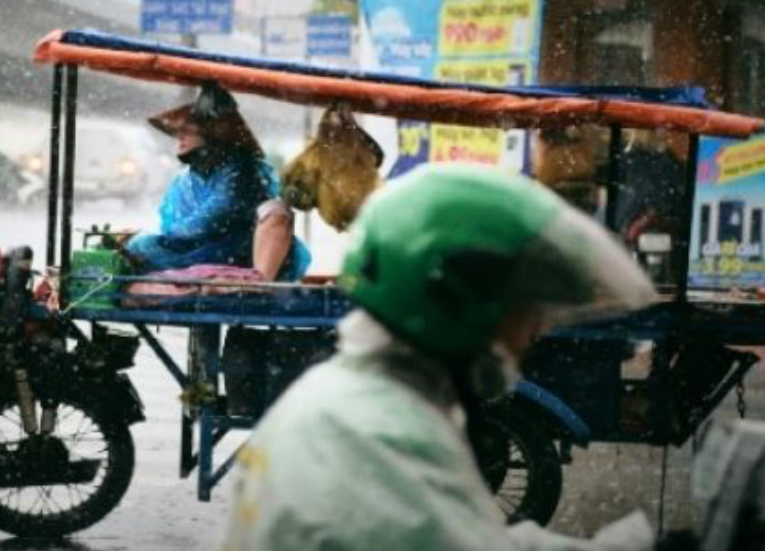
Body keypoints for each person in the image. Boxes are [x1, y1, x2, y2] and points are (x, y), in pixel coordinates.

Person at [221, 164, 661, 551]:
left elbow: (463, 536)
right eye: (522, 310)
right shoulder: (380, 432)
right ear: (455, 303)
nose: (533, 332)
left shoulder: (364, 401)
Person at [124, 81, 310, 280]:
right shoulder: (187, 177)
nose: (180, 138)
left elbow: (215, 216)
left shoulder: (240, 169)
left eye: (187, 131)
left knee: (141, 247)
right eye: (178, 133)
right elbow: (171, 222)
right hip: (194, 250)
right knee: (138, 246)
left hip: (234, 252)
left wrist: (170, 237)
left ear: (210, 133)